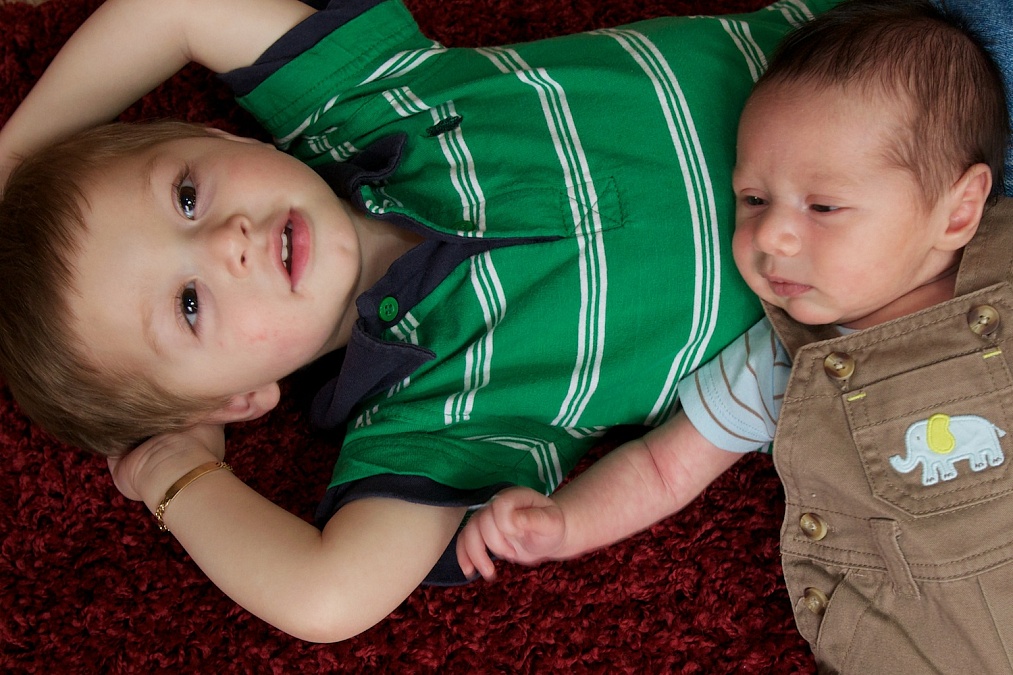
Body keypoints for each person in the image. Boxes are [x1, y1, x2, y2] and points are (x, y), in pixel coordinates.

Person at [0, 0, 841, 643]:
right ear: (242, 399)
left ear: (212, 131)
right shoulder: (430, 417)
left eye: (187, 195)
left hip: (876, 44)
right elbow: (325, 599)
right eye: (189, 305)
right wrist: (174, 475)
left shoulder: (365, 104)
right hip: (914, 289)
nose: (229, 243)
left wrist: (9, 165)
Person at [456, 1, 1013, 671]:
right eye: (752, 199)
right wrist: (564, 523)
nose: (769, 236)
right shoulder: (784, 366)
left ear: (956, 212)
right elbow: (663, 466)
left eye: (823, 206)